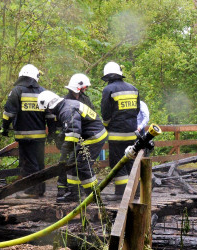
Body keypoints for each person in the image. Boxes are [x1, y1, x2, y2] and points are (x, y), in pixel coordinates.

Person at [37, 91, 108, 203]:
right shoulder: (66, 105)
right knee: (71, 164)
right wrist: (62, 137)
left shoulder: (66, 110)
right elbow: (71, 127)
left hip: (93, 137)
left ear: (50, 105)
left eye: (48, 109)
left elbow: (73, 134)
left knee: (83, 166)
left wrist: (64, 155)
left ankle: (94, 196)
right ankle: (73, 194)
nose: (49, 112)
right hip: (88, 136)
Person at [0, 64, 56, 198]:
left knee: (28, 164)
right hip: (40, 137)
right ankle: (40, 189)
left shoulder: (17, 91)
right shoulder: (42, 92)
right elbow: (50, 115)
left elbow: (8, 113)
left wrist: (4, 128)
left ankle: (32, 191)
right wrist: (52, 133)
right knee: (39, 163)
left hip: (24, 136)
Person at [101, 62, 140, 200]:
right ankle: (136, 191)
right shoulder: (133, 89)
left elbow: (106, 113)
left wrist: (106, 125)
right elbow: (137, 110)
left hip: (116, 134)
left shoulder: (108, 90)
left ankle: (121, 193)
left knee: (118, 162)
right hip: (132, 133)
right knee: (131, 161)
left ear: (107, 76)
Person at [55, 73, 96, 197]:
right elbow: (59, 120)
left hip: (83, 136)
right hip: (69, 135)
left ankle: (77, 188)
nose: (85, 89)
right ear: (78, 87)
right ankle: (62, 187)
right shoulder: (64, 100)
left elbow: (92, 116)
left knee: (79, 162)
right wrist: (60, 137)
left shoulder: (86, 100)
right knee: (65, 161)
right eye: (84, 87)